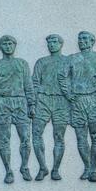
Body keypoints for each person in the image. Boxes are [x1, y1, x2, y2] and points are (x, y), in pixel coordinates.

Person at [58, 31, 96, 182]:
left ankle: (94, 170)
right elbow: (61, 76)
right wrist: (68, 94)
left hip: (95, 101)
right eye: (80, 39)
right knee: (81, 138)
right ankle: (86, 167)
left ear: (92, 41)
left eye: (85, 39)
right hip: (78, 101)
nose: (82, 41)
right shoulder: (72, 58)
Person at [0, 35, 35, 184]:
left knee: (25, 138)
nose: (8, 46)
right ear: (0, 47)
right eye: (4, 44)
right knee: (4, 139)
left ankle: (24, 167)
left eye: (10, 43)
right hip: (3, 103)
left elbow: (28, 85)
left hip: (20, 102)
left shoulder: (22, 63)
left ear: (15, 45)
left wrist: (32, 104)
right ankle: (8, 170)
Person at [32, 34, 69, 181]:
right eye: (49, 42)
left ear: (61, 44)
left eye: (55, 42)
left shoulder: (68, 61)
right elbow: (34, 82)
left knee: (59, 136)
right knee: (36, 134)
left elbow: (73, 81)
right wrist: (33, 103)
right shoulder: (42, 62)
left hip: (61, 101)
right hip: (43, 100)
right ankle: (43, 167)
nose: (52, 44)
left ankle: (55, 169)